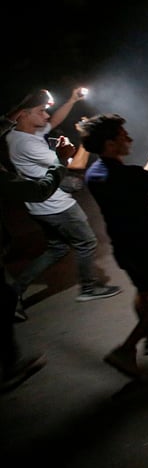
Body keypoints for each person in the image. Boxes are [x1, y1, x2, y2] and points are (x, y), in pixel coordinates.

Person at [77, 114, 148, 378]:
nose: (129, 138)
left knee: (143, 288)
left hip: (123, 244)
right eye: (123, 135)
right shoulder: (126, 175)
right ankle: (126, 348)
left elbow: (134, 183)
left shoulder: (96, 173)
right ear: (110, 143)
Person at [4, 89, 120, 314]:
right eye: (41, 112)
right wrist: (86, 137)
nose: (47, 116)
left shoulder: (18, 134)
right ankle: (88, 288)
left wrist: (73, 100)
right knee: (87, 243)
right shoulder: (29, 145)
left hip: (38, 205)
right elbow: (75, 165)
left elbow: (54, 120)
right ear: (23, 115)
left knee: (56, 249)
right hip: (57, 206)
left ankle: (15, 290)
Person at [1, 137, 75, 391]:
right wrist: (61, 159)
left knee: (7, 296)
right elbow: (38, 190)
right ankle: (10, 367)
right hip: (46, 203)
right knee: (5, 298)